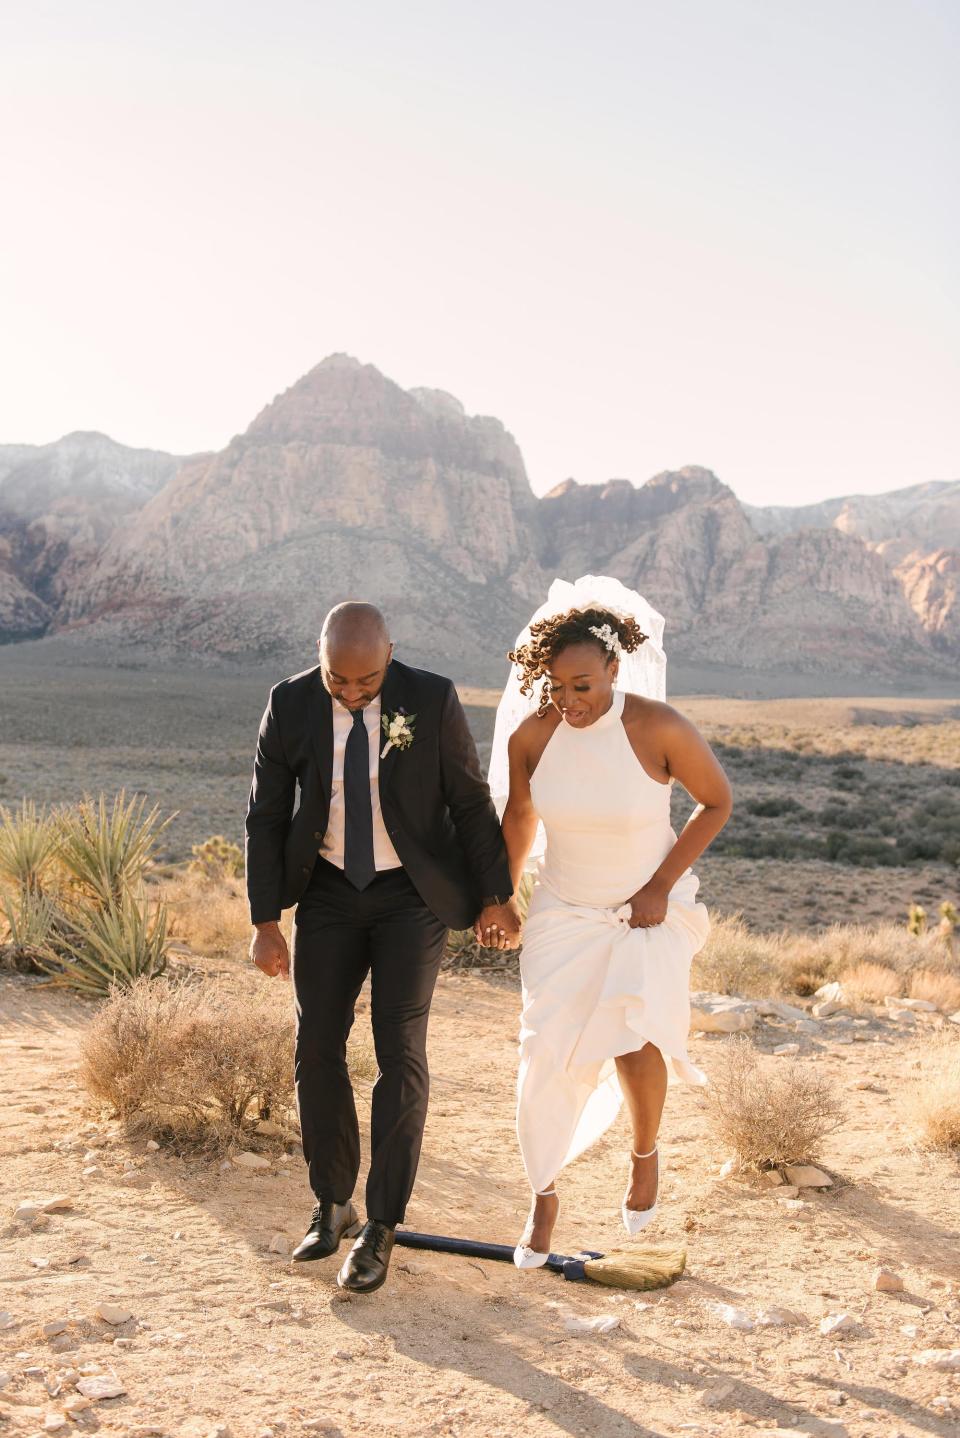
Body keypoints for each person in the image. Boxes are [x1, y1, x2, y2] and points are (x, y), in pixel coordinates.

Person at [245, 602, 519, 1293]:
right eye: (340, 679)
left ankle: (382, 1224)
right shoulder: (290, 702)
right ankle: (332, 1202)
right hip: (330, 890)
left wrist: (495, 893)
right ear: (321, 658)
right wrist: (264, 919)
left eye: (367, 680)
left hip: (410, 894)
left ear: (390, 656)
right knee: (316, 1045)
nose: (354, 692)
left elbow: (470, 802)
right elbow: (267, 813)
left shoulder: (431, 697)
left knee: (399, 1048)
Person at [484, 577, 732, 1267]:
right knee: (545, 1049)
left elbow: (716, 802)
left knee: (633, 1034)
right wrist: (500, 896)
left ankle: (644, 1153)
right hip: (564, 909)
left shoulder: (659, 727)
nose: (570, 701)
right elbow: (519, 820)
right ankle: (544, 1193)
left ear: (614, 671)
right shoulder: (532, 738)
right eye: (557, 688)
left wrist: (660, 886)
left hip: (646, 910)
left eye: (584, 686)